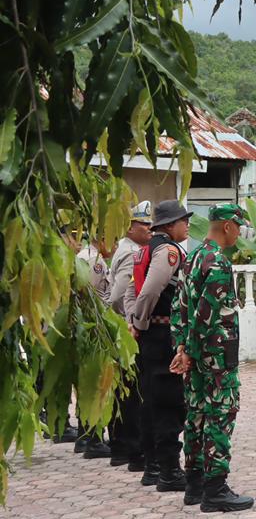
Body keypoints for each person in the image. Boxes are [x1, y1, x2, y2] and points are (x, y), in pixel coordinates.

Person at [171, 203, 255, 512]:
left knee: (196, 415)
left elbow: (179, 308)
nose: (239, 235)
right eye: (239, 228)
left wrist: (181, 348)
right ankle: (216, 489)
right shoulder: (217, 263)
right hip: (216, 357)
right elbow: (206, 316)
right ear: (229, 227)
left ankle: (194, 484)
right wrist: (190, 352)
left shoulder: (192, 257)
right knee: (220, 416)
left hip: (195, 356)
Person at [128, 199, 192, 491]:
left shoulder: (144, 250)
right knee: (168, 402)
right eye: (183, 220)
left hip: (149, 334)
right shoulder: (167, 251)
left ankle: (153, 467)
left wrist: (134, 320)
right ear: (169, 225)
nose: (187, 225)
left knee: (151, 399)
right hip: (162, 333)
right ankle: (168, 472)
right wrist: (140, 321)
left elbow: (128, 291)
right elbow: (152, 289)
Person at [107, 201, 152, 469]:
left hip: (124, 329)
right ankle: (127, 448)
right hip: (126, 332)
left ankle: (122, 447)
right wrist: (133, 320)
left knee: (126, 391)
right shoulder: (130, 253)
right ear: (131, 227)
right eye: (143, 225)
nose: (148, 229)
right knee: (130, 392)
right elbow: (118, 297)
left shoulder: (132, 248)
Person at [74, 235, 115, 457]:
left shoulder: (87, 256)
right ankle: (94, 440)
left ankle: (85, 436)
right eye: (113, 238)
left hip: (87, 327)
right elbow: (89, 297)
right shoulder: (93, 260)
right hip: (93, 328)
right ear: (101, 238)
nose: (115, 244)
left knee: (87, 383)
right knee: (97, 383)